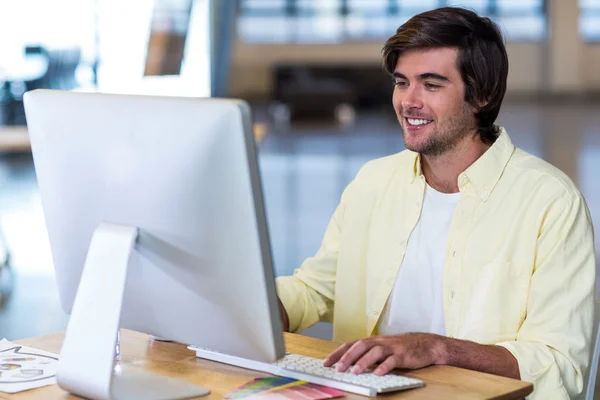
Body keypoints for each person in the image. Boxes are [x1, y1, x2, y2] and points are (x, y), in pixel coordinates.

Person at [275, 6, 596, 399]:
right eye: (402, 82)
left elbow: (560, 364)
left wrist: (437, 348)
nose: (408, 101)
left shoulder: (551, 202)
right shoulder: (374, 182)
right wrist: (259, 306)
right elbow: (317, 289)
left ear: (484, 95)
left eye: (431, 84)